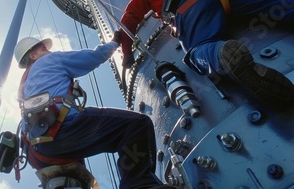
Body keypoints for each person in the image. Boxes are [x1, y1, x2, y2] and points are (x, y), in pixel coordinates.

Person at [119, 0, 294, 111]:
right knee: (284, 6)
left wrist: (127, 54)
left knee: (197, 49)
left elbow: (128, 21)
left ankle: (220, 56)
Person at [14, 35, 174, 189]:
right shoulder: (49, 60)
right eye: (43, 49)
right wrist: (115, 42)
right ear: (33, 55)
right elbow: (94, 56)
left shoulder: (22, 88)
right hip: (62, 130)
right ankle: (139, 184)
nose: (48, 51)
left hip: (39, 151)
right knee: (135, 125)